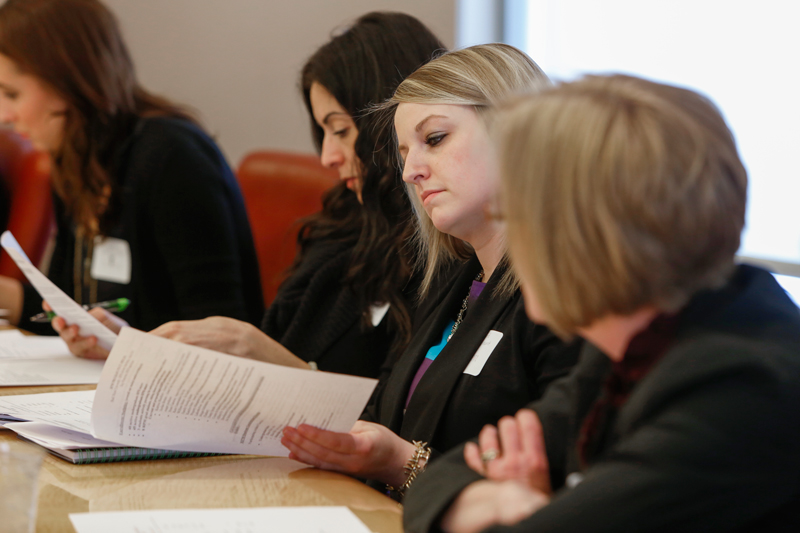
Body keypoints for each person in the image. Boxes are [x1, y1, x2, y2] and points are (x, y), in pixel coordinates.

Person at [403, 75, 800, 532]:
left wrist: (510, 509)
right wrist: (495, 499)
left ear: (586, 235)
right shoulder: (636, 338)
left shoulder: (740, 389)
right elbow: (446, 477)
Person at [54, 11, 447, 376]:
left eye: (341, 130)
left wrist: (263, 355)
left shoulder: (442, 249)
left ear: (385, 124)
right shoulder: (342, 228)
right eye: (323, 132)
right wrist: (130, 345)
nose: (327, 156)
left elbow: (393, 418)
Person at [279, 44, 582, 497]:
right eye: (404, 151)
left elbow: (562, 486)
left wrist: (403, 463)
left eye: (434, 139)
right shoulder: (452, 280)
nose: (409, 171)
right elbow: (384, 415)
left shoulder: (572, 290)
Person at [0, 0, 263, 337]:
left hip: (182, 383)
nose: (5, 116)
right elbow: (68, 307)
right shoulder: (75, 156)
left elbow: (220, 330)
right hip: (110, 375)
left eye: (12, 94)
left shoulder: (172, 156)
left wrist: (121, 340)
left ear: (65, 81)